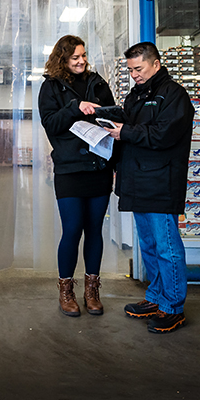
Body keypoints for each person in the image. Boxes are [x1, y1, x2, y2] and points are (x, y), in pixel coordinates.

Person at [102, 42, 195, 333]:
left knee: (167, 247)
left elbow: (163, 134)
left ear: (155, 63)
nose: (134, 75)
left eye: (138, 69)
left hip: (161, 182)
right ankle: (156, 297)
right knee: (150, 246)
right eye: (130, 70)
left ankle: (173, 306)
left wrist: (124, 132)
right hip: (138, 180)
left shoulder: (174, 95)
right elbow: (129, 134)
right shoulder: (135, 96)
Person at [38, 35, 117, 317]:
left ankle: (92, 290)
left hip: (99, 168)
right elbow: (51, 124)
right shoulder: (50, 88)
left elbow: (114, 119)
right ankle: (66, 291)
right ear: (62, 59)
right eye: (75, 58)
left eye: (83, 55)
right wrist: (75, 107)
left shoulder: (98, 83)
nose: (81, 61)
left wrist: (107, 121)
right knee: (72, 230)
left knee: (94, 230)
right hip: (70, 170)